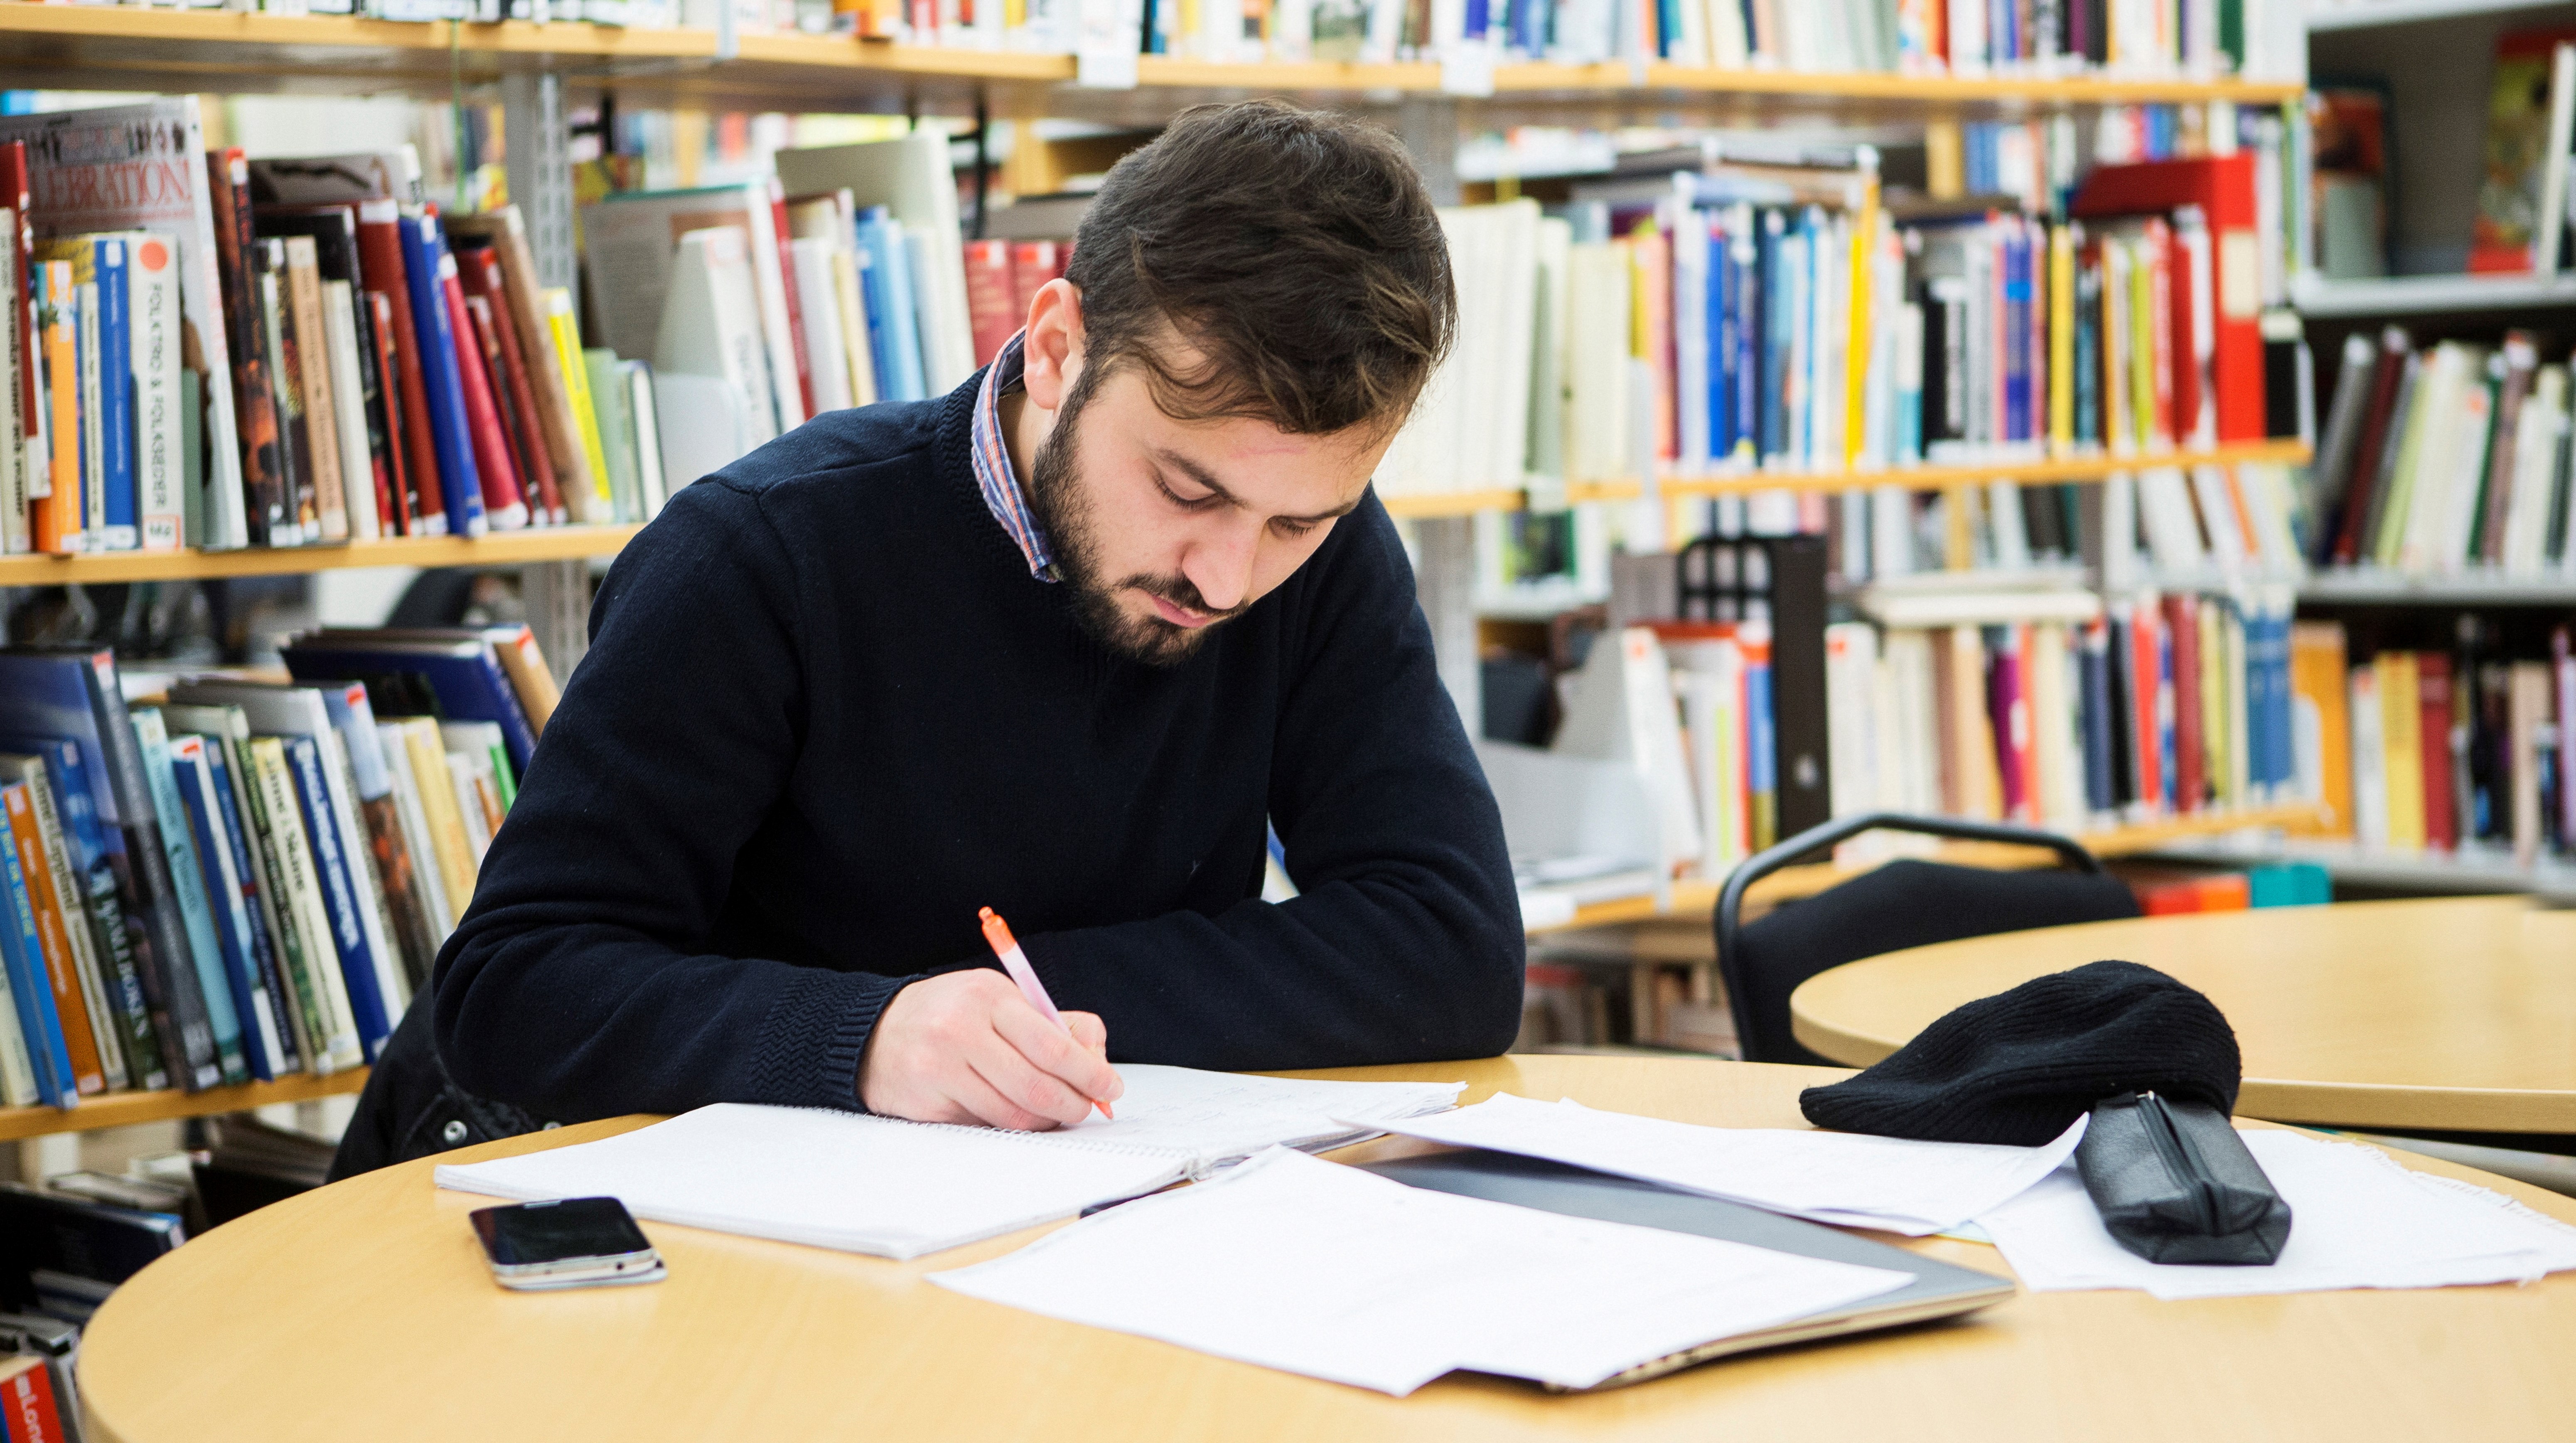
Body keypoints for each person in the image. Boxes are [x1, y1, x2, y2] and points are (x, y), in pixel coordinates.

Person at [332, 98, 1523, 1176]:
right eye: (1186, 489)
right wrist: (871, 1036)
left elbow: (1451, 952)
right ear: (1059, 350)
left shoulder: (1320, 555)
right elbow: (515, 985)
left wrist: (1034, 1010)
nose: (1225, 579)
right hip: (676, 1233)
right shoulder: (763, 555)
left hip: (1028, 1217)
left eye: (1296, 522)